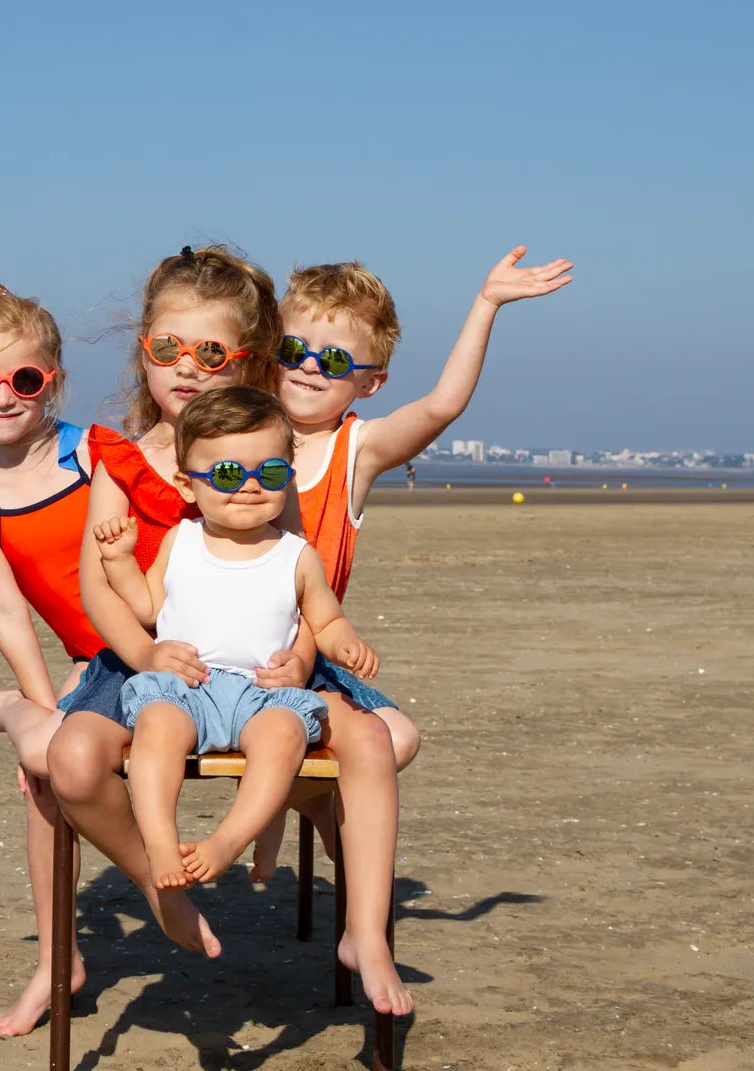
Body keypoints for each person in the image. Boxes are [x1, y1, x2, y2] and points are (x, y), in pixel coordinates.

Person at [46, 245, 414, 1015]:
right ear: (143, 349)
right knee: (73, 760)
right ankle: (161, 881)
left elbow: (297, 575)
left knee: (374, 738)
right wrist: (146, 652)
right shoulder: (124, 457)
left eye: (210, 353)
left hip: (265, 665)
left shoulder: (261, 455)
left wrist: (306, 653)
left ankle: (368, 932)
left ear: (245, 360)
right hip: (151, 656)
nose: (187, 368)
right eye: (167, 349)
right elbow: (101, 590)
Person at [255, 244, 574, 872]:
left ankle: (306, 800)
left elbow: (441, 406)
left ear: (369, 382)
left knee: (398, 738)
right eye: (293, 351)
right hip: (226, 652)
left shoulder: (358, 450)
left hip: (309, 656)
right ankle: (300, 803)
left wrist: (486, 304)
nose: (309, 368)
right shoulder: (235, 431)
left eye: (335, 359)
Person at [94, 387, 378, 890]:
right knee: (157, 729)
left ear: (287, 478)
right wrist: (119, 563)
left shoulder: (295, 554)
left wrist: (345, 644)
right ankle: (160, 843)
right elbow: (148, 608)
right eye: (227, 473)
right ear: (187, 484)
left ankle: (228, 841)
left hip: (262, 692)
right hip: (186, 687)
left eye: (268, 473)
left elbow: (325, 620)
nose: (249, 486)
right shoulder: (180, 542)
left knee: (284, 738)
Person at [0, 270, 100, 1036]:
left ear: (52, 384)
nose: (4, 395)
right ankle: (55, 963)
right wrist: (42, 703)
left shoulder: (92, 455)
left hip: (154, 645)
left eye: (24, 379)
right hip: (85, 662)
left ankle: (5, 714)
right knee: (43, 770)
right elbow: (6, 612)